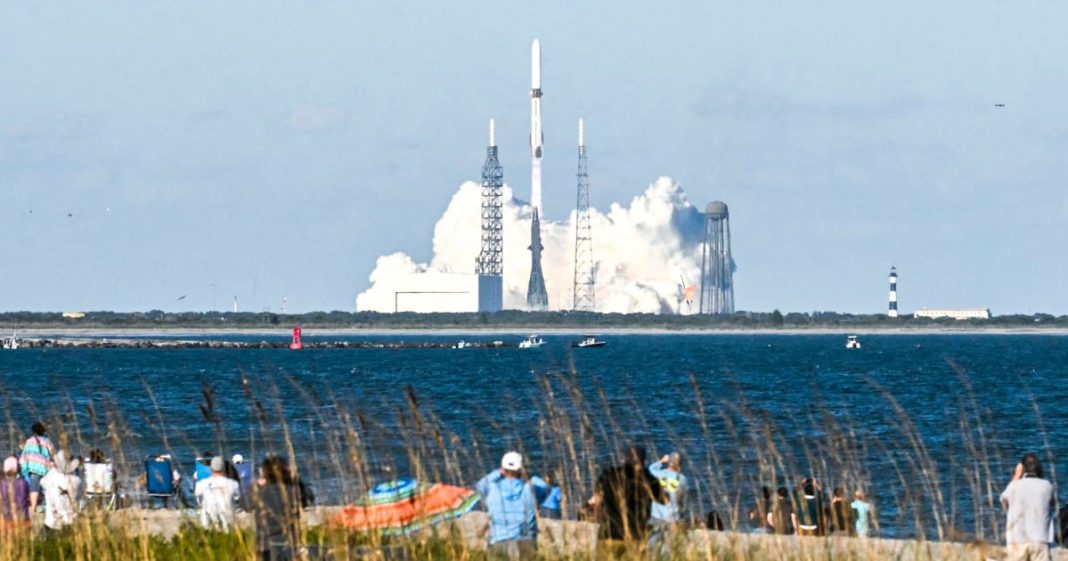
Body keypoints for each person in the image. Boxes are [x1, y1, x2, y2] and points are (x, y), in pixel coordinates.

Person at [474, 451, 550, 560]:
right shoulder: (530, 489)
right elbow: (546, 488)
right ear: (521, 470)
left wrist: (498, 473)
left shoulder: (493, 488)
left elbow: (480, 486)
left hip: (499, 539)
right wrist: (529, 476)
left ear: (502, 469)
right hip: (525, 540)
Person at [588, 445, 665, 542]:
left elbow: (595, 501)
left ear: (623, 460)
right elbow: (664, 500)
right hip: (636, 536)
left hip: (609, 534)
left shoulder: (609, 475)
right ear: (643, 462)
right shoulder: (650, 481)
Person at [1000, 453, 1055, 561]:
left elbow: (1004, 501)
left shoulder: (1014, 486)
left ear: (1023, 469)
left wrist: (1017, 475)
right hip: (1041, 539)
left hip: (1018, 540)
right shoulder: (1047, 486)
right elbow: (1052, 505)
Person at [254, 456, 304, 561]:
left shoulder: (260, 492)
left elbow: (244, 504)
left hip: (265, 543)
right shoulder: (292, 490)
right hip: (290, 542)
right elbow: (308, 499)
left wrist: (257, 485)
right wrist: (296, 480)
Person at [194, 456, 241, 530]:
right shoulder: (233, 484)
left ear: (211, 468)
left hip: (207, 520)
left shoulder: (201, 484)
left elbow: (198, 496)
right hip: (227, 519)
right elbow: (237, 497)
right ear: (223, 468)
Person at [39, 451, 82, 531]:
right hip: (67, 520)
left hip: (50, 520)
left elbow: (42, 482)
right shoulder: (73, 480)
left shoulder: (50, 477)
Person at [19, 421, 55, 513]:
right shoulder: (46, 441)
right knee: (45, 486)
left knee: (34, 486)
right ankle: (45, 505)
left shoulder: (29, 441)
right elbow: (53, 453)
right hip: (43, 467)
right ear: (43, 431)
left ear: (33, 431)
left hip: (32, 467)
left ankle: (34, 507)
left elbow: (24, 455)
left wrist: (23, 467)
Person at [0, 456, 30, 525]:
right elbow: (28, 501)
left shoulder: (2, 484)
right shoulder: (24, 483)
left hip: (7, 521)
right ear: (18, 469)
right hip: (23, 521)